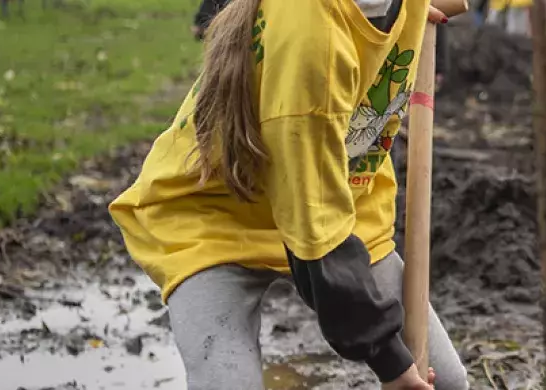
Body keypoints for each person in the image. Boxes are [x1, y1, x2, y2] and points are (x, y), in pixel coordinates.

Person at [110, 0, 469, 388]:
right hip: (215, 216)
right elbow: (317, 235)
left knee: (447, 382)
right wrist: (393, 366)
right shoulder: (312, 36)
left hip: (340, 202)